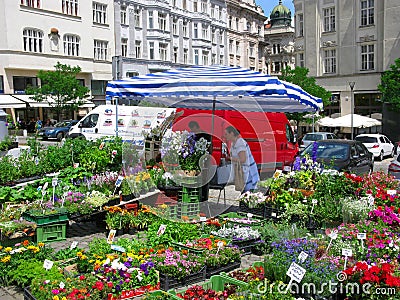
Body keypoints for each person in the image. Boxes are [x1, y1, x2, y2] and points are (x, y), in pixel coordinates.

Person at [224, 125, 259, 192]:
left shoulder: (240, 143)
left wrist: (230, 158)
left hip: (248, 172)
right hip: (242, 171)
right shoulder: (233, 143)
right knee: (244, 191)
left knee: (248, 192)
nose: (225, 136)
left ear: (232, 133)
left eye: (226, 134)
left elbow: (243, 159)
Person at [188, 120, 212, 202]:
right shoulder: (194, 135)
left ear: (195, 126)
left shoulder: (204, 135)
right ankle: (198, 197)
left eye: (192, 128)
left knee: (204, 180)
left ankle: (203, 198)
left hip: (205, 162)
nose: (191, 130)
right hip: (197, 161)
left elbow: (209, 148)